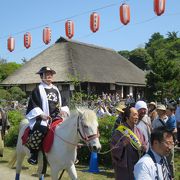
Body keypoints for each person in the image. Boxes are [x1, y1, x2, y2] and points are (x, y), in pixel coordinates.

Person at [25, 66, 62, 165]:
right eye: (46, 74)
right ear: (42, 76)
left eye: (51, 74)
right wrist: (42, 115)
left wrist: (63, 110)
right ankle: (34, 154)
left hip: (56, 116)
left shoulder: (56, 89)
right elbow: (33, 104)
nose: (49, 76)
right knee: (42, 128)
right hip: (43, 118)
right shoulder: (37, 90)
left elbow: (62, 103)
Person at [110, 107, 147, 180]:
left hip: (137, 165)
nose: (136, 117)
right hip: (124, 167)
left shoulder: (138, 131)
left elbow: (144, 143)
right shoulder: (119, 131)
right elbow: (113, 149)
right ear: (127, 117)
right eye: (134, 115)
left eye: (137, 115)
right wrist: (123, 143)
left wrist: (144, 147)